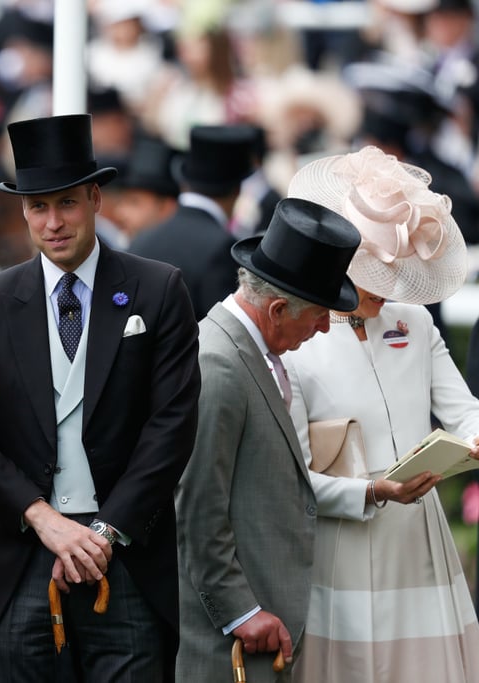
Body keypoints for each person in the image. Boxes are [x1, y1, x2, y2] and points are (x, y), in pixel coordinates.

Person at [0, 113, 201, 681]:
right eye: (38, 207)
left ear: (94, 199)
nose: (53, 222)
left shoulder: (159, 288)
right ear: (22, 211)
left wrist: (106, 533)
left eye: (66, 203)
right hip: (23, 559)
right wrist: (43, 519)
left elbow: (173, 426)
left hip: (130, 558)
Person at [284, 146, 479, 682]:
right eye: (371, 272)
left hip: (417, 535)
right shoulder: (295, 342)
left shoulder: (415, 325)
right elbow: (296, 476)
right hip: (340, 543)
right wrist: (370, 493)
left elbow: (466, 412)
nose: (386, 287)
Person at [175, 197, 362, 682]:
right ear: (277, 309)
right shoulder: (217, 363)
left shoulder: (256, 352)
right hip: (229, 637)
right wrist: (239, 610)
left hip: (264, 626)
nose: (325, 327)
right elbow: (197, 506)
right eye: (320, 314)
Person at [128, 124, 257, 320]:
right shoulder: (222, 247)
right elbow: (224, 330)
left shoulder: (141, 240)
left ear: (184, 182)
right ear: (237, 189)